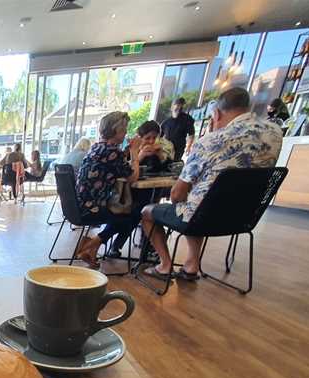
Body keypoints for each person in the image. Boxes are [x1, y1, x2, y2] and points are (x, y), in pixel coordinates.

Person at [140, 87, 282, 281]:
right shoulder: (274, 134)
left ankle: (165, 265)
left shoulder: (211, 141)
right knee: (197, 202)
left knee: (149, 212)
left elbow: (176, 195)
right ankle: (191, 265)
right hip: (243, 216)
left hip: (202, 217)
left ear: (216, 113)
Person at [73, 112, 142, 267]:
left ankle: (91, 249)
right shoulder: (113, 151)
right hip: (93, 208)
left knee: (126, 215)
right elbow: (132, 177)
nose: (125, 134)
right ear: (115, 131)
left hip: (79, 205)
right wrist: (135, 153)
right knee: (134, 215)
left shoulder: (95, 147)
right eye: (124, 131)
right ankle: (91, 244)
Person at [102, 121, 175, 259]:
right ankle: (116, 245)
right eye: (147, 138)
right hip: (126, 195)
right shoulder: (129, 150)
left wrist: (161, 157)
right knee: (136, 214)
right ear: (140, 137)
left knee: (144, 212)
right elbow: (124, 172)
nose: (151, 141)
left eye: (154, 138)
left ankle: (145, 248)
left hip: (150, 192)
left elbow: (168, 169)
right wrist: (139, 156)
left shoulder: (157, 152)